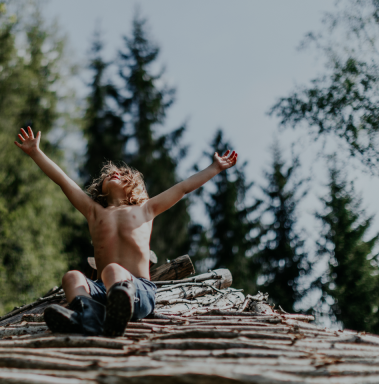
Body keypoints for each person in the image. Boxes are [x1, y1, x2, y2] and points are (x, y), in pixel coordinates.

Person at [14, 126, 238, 336]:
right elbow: (64, 181)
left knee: (112, 270)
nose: (114, 174)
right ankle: (90, 315)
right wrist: (36, 153)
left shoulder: (145, 209)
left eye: (122, 174)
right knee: (72, 277)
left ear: (134, 185)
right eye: (108, 174)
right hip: (101, 291)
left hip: (138, 290)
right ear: (100, 188)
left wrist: (215, 168)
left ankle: (117, 310)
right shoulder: (94, 212)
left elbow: (183, 188)